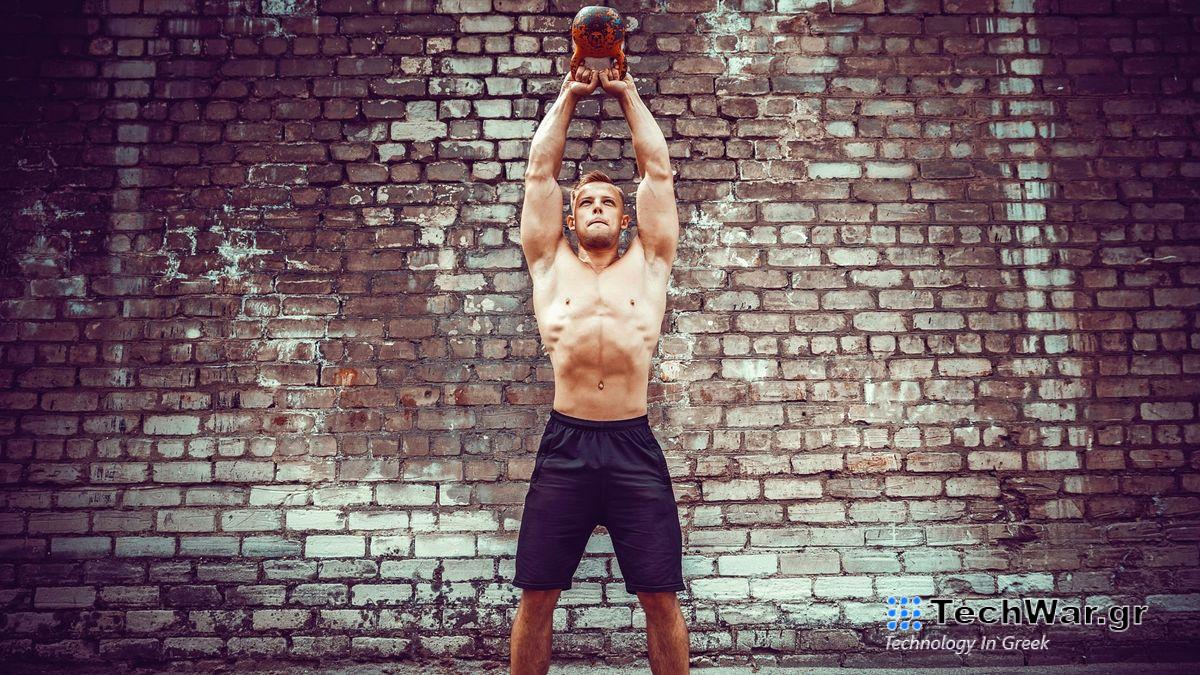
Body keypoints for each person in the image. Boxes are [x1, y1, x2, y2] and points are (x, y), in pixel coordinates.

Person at [509, 63, 686, 675]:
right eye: (584, 201)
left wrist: (625, 90)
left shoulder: (651, 263)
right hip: (566, 445)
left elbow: (657, 171)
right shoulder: (548, 265)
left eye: (609, 200)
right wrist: (570, 94)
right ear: (570, 217)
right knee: (537, 594)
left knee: (660, 595)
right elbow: (540, 173)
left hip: (633, 443)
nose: (597, 207)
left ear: (627, 216)